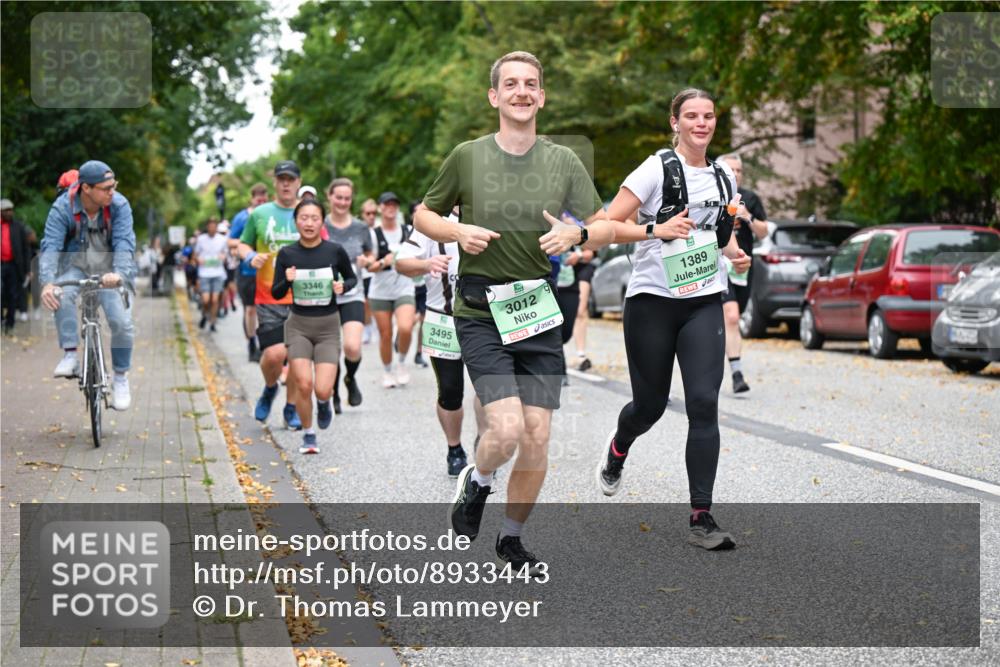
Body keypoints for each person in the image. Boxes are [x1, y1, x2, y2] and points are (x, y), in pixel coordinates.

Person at [415, 51, 614, 572]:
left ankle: (511, 537)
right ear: (494, 96)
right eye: (511, 84)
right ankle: (476, 482)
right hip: (480, 311)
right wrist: (457, 231)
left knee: (538, 436)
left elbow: (605, 223)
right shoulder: (467, 156)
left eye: (531, 84)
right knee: (503, 431)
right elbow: (424, 213)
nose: (521, 92)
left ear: (542, 96)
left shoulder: (564, 161)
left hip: (536, 312)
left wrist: (581, 232)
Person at [595, 88, 751, 551]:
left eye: (708, 116)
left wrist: (736, 255)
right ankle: (618, 448)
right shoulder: (655, 169)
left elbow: (717, 236)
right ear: (675, 122)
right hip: (652, 301)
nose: (701, 123)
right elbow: (605, 226)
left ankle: (701, 516)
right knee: (650, 406)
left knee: (704, 402)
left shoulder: (725, 176)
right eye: (691, 116)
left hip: (704, 299)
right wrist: (654, 229)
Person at [38, 160, 136, 410]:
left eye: (114, 186)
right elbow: (51, 246)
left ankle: (121, 378)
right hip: (75, 264)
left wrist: (120, 274)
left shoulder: (119, 205)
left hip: (110, 268)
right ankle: (70, 353)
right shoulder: (62, 208)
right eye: (106, 188)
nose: (112, 191)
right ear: (86, 188)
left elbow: (125, 243)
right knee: (61, 292)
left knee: (121, 322)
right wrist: (48, 283)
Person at [397, 205, 487, 478]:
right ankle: (454, 448)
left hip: (485, 320)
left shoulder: (490, 216)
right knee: (450, 391)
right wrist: (426, 264)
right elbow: (401, 263)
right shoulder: (432, 224)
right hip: (443, 319)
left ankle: (484, 441)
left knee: (488, 386)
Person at [271, 199, 357, 454]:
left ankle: (323, 402)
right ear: (296, 221)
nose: (309, 223)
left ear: (322, 221)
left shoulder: (334, 250)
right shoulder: (287, 254)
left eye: (314, 218)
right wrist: (286, 281)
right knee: (303, 383)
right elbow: (276, 293)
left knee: (322, 388)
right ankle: (309, 435)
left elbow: (351, 277)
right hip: (298, 325)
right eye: (304, 218)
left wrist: (344, 286)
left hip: (328, 327)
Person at [237, 160, 305, 430]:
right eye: (282, 179)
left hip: (304, 298)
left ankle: (290, 409)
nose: (286, 183)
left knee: (297, 358)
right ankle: (269, 388)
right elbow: (242, 244)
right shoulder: (260, 213)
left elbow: (325, 245)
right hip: (269, 296)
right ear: (275, 183)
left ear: (299, 182)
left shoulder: (308, 212)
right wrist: (251, 256)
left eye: (291, 179)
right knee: (275, 355)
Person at [718, 153, 769, 394]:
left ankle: (728, 362)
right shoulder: (711, 194)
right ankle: (737, 374)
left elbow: (764, 232)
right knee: (731, 316)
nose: (736, 174)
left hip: (743, 265)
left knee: (732, 320)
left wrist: (746, 216)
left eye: (739, 170)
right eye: (731, 170)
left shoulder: (750, 198)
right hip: (716, 265)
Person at [323, 177, 374, 412]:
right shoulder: (321, 225)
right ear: (330, 197)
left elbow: (371, 256)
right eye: (338, 197)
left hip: (354, 291)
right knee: (331, 348)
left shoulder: (360, 227)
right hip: (325, 295)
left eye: (347, 198)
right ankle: (332, 391)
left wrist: (367, 261)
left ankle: (349, 378)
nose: (342, 202)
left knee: (352, 347)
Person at [367, 191, 417, 388]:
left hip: (404, 287)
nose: (391, 207)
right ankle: (387, 371)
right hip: (380, 290)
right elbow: (368, 267)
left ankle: (402, 362)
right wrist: (383, 261)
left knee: (405, 327)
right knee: (385, 334)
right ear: (380, 207)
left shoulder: (408, 230)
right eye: (386, 204)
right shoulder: (373, 234)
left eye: (394, 204)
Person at [229, 183, 270, 361]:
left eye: (264, 199)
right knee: (251, 310)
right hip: (247, 272)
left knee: (267, 311)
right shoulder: (242, 217)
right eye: (258, 199)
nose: (261, 202)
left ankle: (265, 344)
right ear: (252, 199)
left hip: (268, 272)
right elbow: (230, 242)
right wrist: (247, 244)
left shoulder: (270, 215)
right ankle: (252, 343)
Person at [1, 199, 33, 335]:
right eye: (6, 210)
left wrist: (28, 270)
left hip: (14, 266)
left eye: (11, 210)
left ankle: (10, 322)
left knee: (13, 294)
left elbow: (26, 249)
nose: (10, 212)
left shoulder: (18, 227)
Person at [194, 218, 228, 332]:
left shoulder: (222, 239)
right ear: (207, 227)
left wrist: (223, 257)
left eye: (214, 226)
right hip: (204, 273)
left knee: (214, 300)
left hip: (218, 272)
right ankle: (204, 314)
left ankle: (212, 322)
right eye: (210, 226)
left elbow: (225, 253)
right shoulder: (201, 239)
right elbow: (195, 255)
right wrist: (199, 260)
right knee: (205, 300)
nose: (212, 228)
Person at [358, 198, 378, 344]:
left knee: (375, 302)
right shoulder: (359, 229)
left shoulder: (380, 229)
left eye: (373, 213)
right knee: (365, 302)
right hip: (364, 272)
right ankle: (368, 328)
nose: (371, 216)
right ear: (362, 214)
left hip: (378, 271)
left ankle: (378, 328)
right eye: (368, 213)